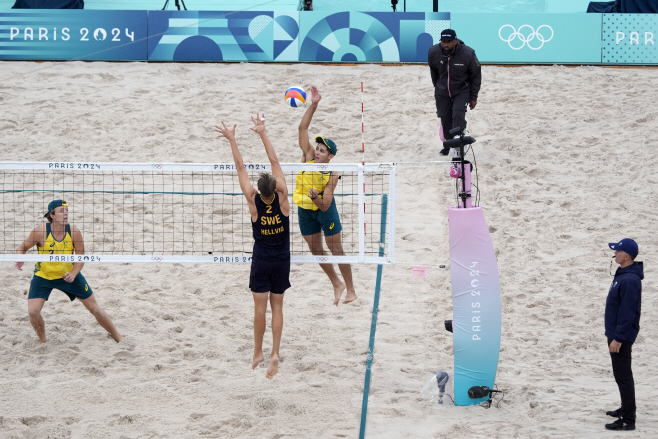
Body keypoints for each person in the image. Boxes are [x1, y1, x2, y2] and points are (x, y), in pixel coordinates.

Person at [215, 114, 290, 379]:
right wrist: (262, 133)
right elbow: (275, 161)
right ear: (276, 188)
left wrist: (232, 140)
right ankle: (275, 352)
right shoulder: (283, 201)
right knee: (277, 307)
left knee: (260, 309)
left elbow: (240, 168)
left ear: (259, 191)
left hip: (261, 260)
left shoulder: (252, 201)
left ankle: (258, 351)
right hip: (281, 260)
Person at [15, 200, 122, 345]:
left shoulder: (74, 232)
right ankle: (43, 341)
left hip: (69, 275)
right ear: (52, 215)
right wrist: (19, 257)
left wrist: (73, 273)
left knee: (95, 309)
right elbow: (22, 247)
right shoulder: (39, 232)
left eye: (67, 211)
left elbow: (80, 257)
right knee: (33, 312)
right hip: (43, 276)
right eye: (61, 211)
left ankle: (118, 336)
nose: (66, 213)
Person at [295, 85, 357, 306]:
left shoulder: (332, 174)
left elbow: (324, 205)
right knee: (316, 249)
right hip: (305, 209)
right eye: (317, 149)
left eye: (323, 150)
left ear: (330, 156)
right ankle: (336, 283)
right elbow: (302, 128)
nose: (318, 152)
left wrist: (315, 198)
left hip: (323, 209)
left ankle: (350, 289)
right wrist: (314, 104)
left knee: (336, 249)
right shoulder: (308, 157)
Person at [604, 238, 643, 431]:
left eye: (618, 251)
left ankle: (628, 419)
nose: (615, 254)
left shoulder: (629, 280)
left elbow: (627, 313)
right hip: (615, 333)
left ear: (626, 256)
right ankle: (625, 408)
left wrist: (618, 338)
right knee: (621, 375)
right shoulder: (623, 274)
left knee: (624, 376)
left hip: (621, 336)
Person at [428, 29, 482, 155]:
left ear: (455, 41)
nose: (446, 44)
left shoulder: (468, 53)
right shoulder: (433, 52)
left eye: (449, 42)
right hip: (442, 91)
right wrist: (437, 87)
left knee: (458, 116)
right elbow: (433, 72)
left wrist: (473, 97)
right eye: (443, 41)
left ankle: (458, 146)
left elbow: (476, 75)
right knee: (445, 118)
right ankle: (448, 144)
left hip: (462, 90)